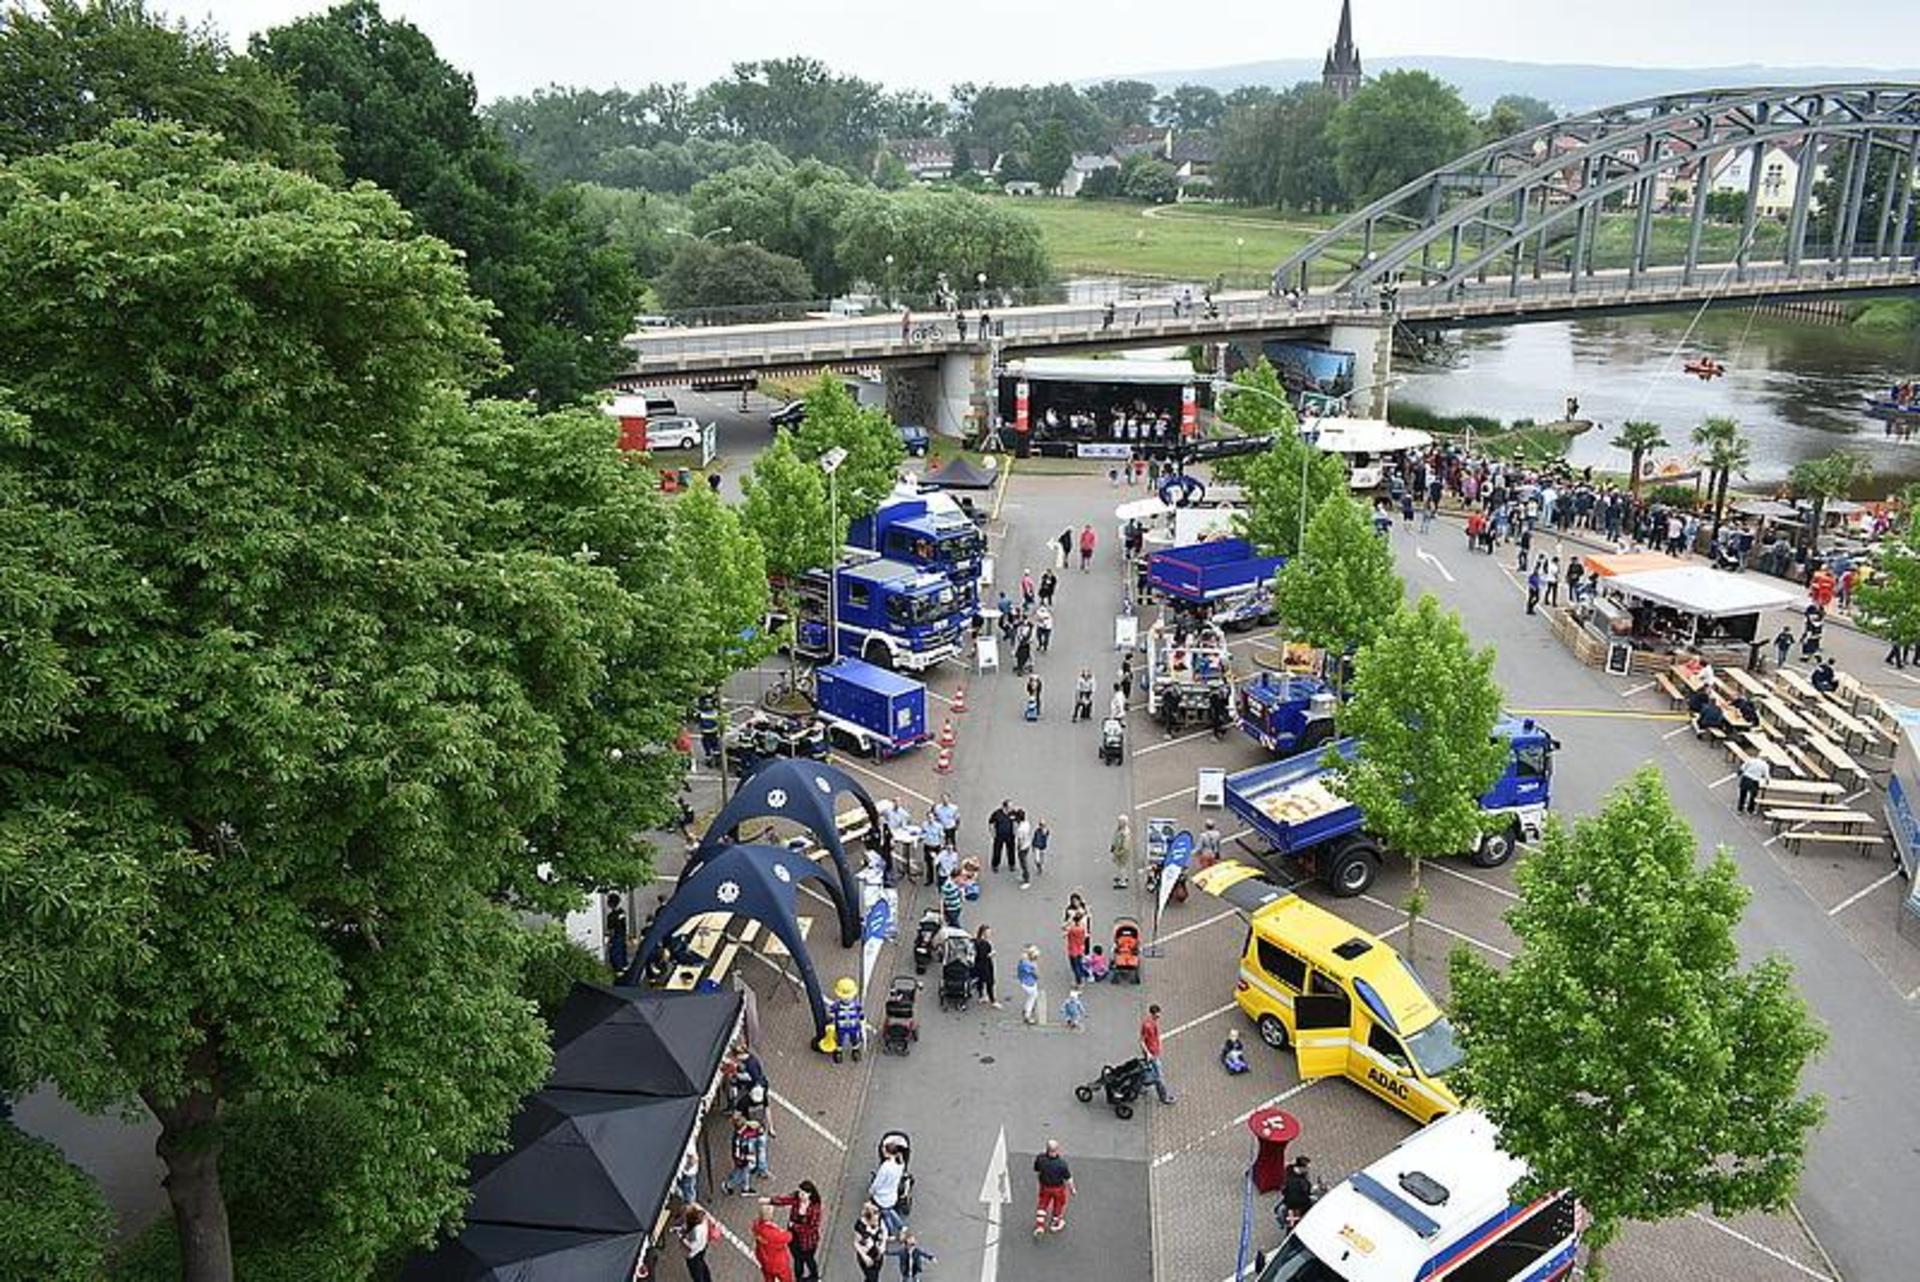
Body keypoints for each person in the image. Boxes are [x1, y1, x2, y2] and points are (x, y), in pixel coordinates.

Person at [770, 1183, 824, 1282]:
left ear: (810, 1194)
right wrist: (770, 1201)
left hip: (808, 1242)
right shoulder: (797, 1199)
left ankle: (814, 1277)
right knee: (798, 1260)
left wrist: (794, 1226)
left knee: (809, 1259)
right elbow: (784, 1200)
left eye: (803, 1193)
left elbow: (811, 1228)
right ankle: (799, 1278)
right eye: (800, 1192)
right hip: (794, 1238)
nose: (800, 1195)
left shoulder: (815, 1208)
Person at [1033, 1138, 1075, 1237]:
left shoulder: (1040, 1158)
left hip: (1044, 1186)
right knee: (1058, 1205)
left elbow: (1036, 1169)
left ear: (1047, 1149)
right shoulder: (1062, 1164)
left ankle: (1040, 1226)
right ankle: (1055, 1224)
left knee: (1042, 1204)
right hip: (1058, 1189)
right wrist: (1072, 1189)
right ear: (1057, 1150)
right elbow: (1068, 1178)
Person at [1139, 1005, 1174, 1104]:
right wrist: (1148, 1053)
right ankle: (1164, 1097)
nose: (1158, 1017)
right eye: (1157, 1015)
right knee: (1159, 1077)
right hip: (1152, 1054)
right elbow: (1141, 1041)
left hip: (1155, 1052)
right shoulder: (1147, 1025)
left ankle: (1141, 1085)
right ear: (1152, 1014)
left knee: (1148, 1071)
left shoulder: (1153, 1022)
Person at [754, 1201, 797, 1282]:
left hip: (764, 1259)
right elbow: (789, 1237)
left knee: (768, 1278)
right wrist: (781, 1230)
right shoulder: (774, 1234)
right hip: (778, 1263)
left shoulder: (757, 1225)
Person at [869, 1143, 908, 1234]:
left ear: (887, 1153)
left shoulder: (886, 1167)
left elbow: (878, 1183)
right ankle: (901, 1226)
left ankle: (890, 1231)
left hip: (883, 1198)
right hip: (892, 1195)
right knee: (890, 1211)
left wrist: (871, 1191)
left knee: (886, 1215)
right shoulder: (900, 1163)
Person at [725, 1112, 761, 1194]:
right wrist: (747, 1158)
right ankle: (728, 1185)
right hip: (741, 1160)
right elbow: (738, 1154)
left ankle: (746, 1188)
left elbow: (755, 1128)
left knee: (746, 1172)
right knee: (740, 1175)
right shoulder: (738, 1139)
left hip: (744, 1158)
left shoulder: (743, 1134)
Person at [853, 1201, 890, 1282]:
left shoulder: (878, 1218)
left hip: (878, 1254)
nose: (877, 1223)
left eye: (878, 1220)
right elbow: (856, 1243)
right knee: (872, 1277)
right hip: (867, 1256)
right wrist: (864, 1256)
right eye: (875, 1221)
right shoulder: (860, 1227)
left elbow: (885, 1230)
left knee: (876, 1275)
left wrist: (883, 1244)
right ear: (867, 1218)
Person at [681, 1203, 716, 1282]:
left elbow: (691, 1247)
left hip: (694, 1254)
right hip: (703, 1246)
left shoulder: (695, 1232)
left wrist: (682, 1239)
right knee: (702, 1263)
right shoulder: (702, 1219)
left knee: (696, 1273)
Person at [1280, 1156, 1315, 1228]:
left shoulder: (1290, 1171)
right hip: (1297, 1206)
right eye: (1307, 1168)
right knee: (1296, 1225)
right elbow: (1297, 1199)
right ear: (1301, 1168)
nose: (1308, 1170)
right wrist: (1309, 1198)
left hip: (1290, 1201)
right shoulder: (1298, 1183)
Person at [972, 924, 1000, 1005]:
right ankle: (993, 1000)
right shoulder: (984, 943)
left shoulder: (976, 941)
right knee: (989, 982)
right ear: (983, 933)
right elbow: (983, 956)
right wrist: (991, 954)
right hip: (985, 965)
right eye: (988, 932)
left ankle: (981, 996)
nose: (990, 934)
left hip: (978, 965)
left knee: (980, 981)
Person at [989, 800, 1016, 875]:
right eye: (1010, 806)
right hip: (999, 836)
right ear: (1005, 807)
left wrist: (1015, 831)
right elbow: (991, 823)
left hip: (1010, 836)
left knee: (1011, 851)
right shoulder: (997, 814)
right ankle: (995, 865)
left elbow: (1018, 820)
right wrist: (992, 834)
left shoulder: (1013, 813)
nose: (1012, 808)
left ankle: (1012, 864)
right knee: (997, 851)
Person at [1063, 909, 1089, 983]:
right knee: (1080, 963)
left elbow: (1064, 930)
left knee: (1075, 966)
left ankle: (1078, 981)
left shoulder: (1072, 929)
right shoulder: (1082, 928)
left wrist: (1070, 920)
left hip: (1072, 950)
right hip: (1080, 949)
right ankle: (1084, 974)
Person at [1018, 945, 1042, 1024]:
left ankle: (1026, 1010)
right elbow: (1037, 975)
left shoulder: (1022, 962)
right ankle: (1027, 1015)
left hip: (1023, 981)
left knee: (1031, 997)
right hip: (1030, 983)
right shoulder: (1031, 965)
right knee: (1032, 998)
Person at [1110, 814, 1132, 889]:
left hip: (1122, 852)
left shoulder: (1125, 833)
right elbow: (1116, 838)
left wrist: (1119, 852)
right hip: (1118, 849)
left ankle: (1123, 882)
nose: (1118, 823)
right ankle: (1123, 877)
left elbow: (1125, 846)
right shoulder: (1120, 829)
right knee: (1121, 866)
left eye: (1120, 821)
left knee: (1121, 866)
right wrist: (1113, 846)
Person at [1014, 810, 1034, 886]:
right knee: (1024, 862)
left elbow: (1020, 840)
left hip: (1022, 847)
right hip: (1027, 844)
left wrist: (1018, 847)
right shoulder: (1027, 823)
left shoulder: (1020, 829)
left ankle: (1026, 880)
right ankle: (1024, 876)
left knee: (1023, 863)